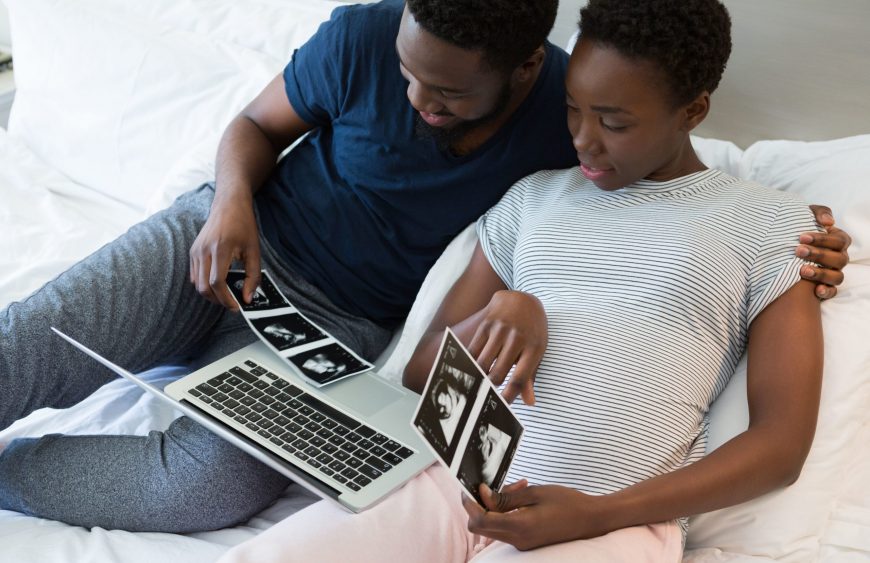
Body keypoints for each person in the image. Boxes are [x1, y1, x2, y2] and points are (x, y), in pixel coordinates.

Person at [0, 0, 848, 534]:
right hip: (230, 242)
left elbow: (676, 192)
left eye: (444, 94)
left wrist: (796, 232)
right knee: (25, 346)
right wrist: (228, 201)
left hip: (335, 330)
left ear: (524, 72)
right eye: (408, 74)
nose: (415, 99)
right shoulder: (366, 36)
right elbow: (253, 128)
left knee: (200, 489)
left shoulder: (572, 134)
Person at [217, 0, 826, 561]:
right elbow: (418, 370)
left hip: (611, 518)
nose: (582, 141)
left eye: (613, 122)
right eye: (572, 110)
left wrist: (597, 514)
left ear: (692, 110)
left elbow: (780, 447)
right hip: (446, 480)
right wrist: (502, 310)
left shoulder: (772, 226)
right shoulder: (531, 200)